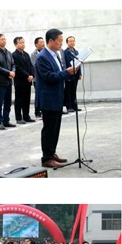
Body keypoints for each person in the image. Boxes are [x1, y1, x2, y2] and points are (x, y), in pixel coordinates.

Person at [34, 28, 79, 168]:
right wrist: (67, 73)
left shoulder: (56, 55)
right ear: (51, 41)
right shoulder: (42, 57)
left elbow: (58, 72)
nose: (61, 43)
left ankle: (51, 152)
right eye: (59, 41)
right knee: (49, 129)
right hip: (48, 98)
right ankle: (46, 158)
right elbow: (49, 77)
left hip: (57, 96)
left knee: (55, 128)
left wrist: (69, 72)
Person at [0, 33, 16, 130]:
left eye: (4, 39)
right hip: (0, 82)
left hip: (9, 81)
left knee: (8, 103)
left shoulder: (8, 53)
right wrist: (9, 72)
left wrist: (13, 72)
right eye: (2, 39)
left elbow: (13, 64)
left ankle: (6, 120)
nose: (4, 41)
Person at [12, 36, 36, 124]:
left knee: (27, 99)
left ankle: (26, 116)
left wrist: (32, 75)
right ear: (15, 44)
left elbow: (31, 66)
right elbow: (18, 68)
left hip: (28, 81)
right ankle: (18, 117)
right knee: (19, 99)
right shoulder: (14, 55)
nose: (22, 44)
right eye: (20, 43)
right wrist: (27, 75)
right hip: (20, 81)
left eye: (23, 42)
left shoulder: (26, 54)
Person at [63, 36, 82, 113]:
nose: (72, 43)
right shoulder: (65, 52)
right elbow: (65, 63)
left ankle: (74, 106)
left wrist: (80, 73)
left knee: (74, 90)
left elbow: (79, 62)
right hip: (69, 73)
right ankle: (69, 106)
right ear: (67, 43)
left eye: (73, 41)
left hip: (76, 74)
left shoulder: (76, 52)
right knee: (68, 91)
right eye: (70, 41)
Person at [30, 37, 45, 119]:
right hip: (37, 78)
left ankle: (44, 111)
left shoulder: (46, 52)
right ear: (36, 44)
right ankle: (37, 111)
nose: (43, 44)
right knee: (38, 95)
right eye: (40, 42)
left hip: (45, 78)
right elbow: (34, 65)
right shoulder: (33, 54)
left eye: (43, 42)